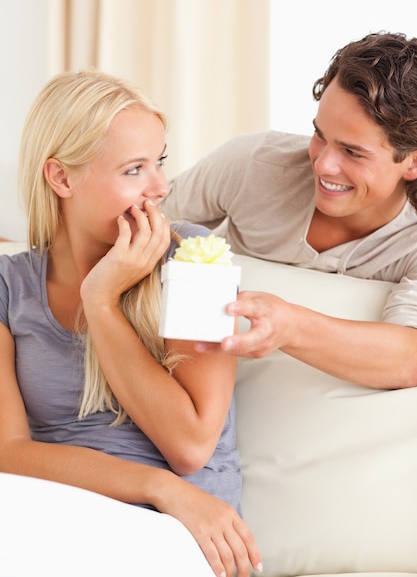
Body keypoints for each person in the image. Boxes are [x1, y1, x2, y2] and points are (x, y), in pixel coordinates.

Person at [0, 70, 262, 577]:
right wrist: (157, 485)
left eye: (159, 162)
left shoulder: (194, 260)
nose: (161, 188)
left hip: (180, 531)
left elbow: (189, 447)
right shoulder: (11, 286)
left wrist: (101, 302)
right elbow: (8, 454)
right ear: (61, 178)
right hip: (62, 514)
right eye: (135, 169)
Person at [162, 31, 417, 389]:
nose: (323, 164)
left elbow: (410, 359)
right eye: (319, 135)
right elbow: (142, 224)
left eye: (353, 152)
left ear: (411, 162)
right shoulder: (253, 164)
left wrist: (291, 326)